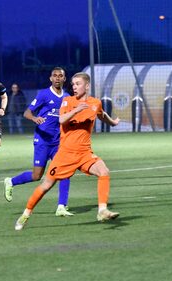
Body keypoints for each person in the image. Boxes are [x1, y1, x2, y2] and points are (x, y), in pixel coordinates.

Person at [14, 72, 120, 230]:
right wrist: (76, 110)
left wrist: (112, 122)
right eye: (73, 84)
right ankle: (26, 214)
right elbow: (61, 119)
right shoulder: (67, 101)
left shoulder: (95, 102)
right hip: (64, 154)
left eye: (78, 84)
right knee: (46, 185)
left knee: (103, 171)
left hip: (84, 154)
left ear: (87, 85)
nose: (74, 87)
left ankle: (102, 210)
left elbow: (101, 114)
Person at [4, 67, 73, 217]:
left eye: (60, 76)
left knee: (65, 171)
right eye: (54, 75)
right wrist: (35, 118)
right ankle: (11, 181)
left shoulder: (67, 97)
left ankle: (62, 206)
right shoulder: (43, 94)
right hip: (42, 140)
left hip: (57, 142)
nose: (57, 78)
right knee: (37, 176)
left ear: (64, 79)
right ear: (50, 78)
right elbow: (27, 112)